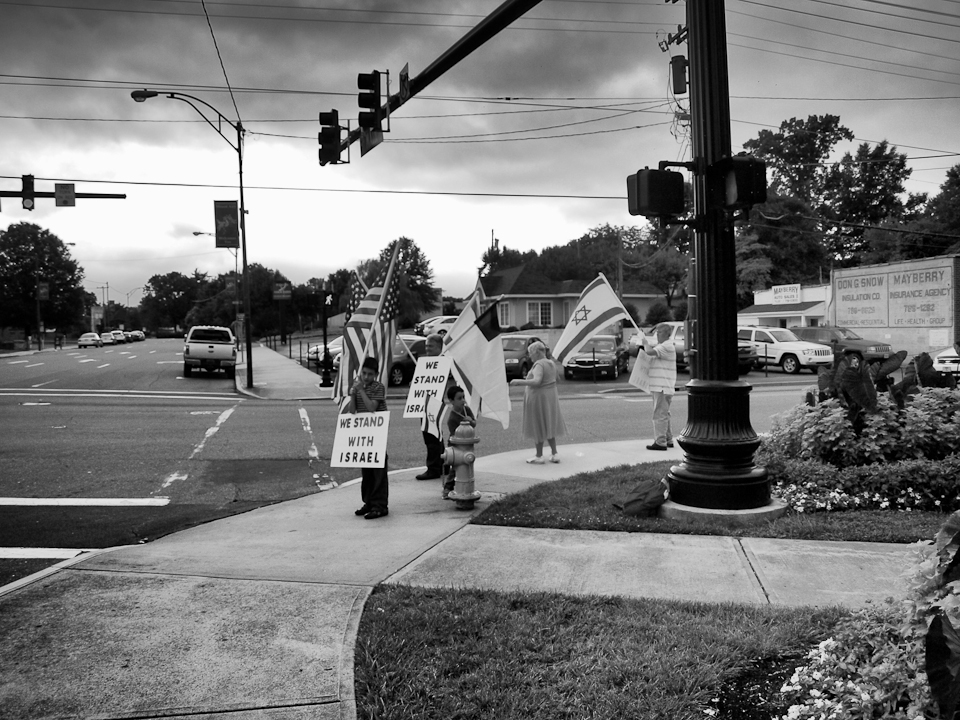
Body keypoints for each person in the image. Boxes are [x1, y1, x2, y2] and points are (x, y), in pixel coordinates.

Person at [343, 356, 389, 520]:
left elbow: (371, 407)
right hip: (364, 434)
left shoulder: (378, 388)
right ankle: (368, 502)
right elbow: (352, 411)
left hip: (377, 433)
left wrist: (361, 390)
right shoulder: (358, 387)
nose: (366, 377)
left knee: (378, 470)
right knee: (366, 470)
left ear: (375, 375)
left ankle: (380, 505)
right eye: (363, 373)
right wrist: (354, 394)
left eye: (370, 374)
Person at [509, 340, 566, 464]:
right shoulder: (551, 363)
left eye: (530, 353)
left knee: (538, 424)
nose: (530, 356)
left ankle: (539, 455)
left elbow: (537, 381)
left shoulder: (539, 364)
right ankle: (554, 453)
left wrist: (519, 382)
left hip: (538, 398)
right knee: (548, 423)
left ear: (536, 352)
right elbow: (557, 379)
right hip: (550, 397)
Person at [637, 323, 677, 451]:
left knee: (659, 414)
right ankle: (668, 439)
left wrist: (644, 340)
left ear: (666, 333)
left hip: (662, 387)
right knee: (664, 413)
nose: (657, 334)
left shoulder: (666, 346)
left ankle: (660, 442)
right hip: (662, 386)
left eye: (659, 332)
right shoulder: (664, 346)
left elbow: (649, 351)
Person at [416, 333, 447, 480]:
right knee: (435, 435)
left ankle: (434, 467)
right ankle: (443, 464)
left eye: (431, 346)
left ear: (439, 347)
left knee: (432, 436)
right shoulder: (425, 362)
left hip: (434, 403)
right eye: (426, 345)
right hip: (424, 401)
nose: (427, 348)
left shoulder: (442, 362)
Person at [442, 384, 476, 500]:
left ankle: (466, 487)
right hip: (456, 445)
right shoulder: (452, 418)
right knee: (455, 468)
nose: (463, 400)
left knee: (467, 466)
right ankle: (448, 487)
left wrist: (470, 421)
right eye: (459, 398)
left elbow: (474, 424)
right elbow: (454, 435)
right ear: (451, 401)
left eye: (463, 397)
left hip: (467, 444)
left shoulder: (466, 410)